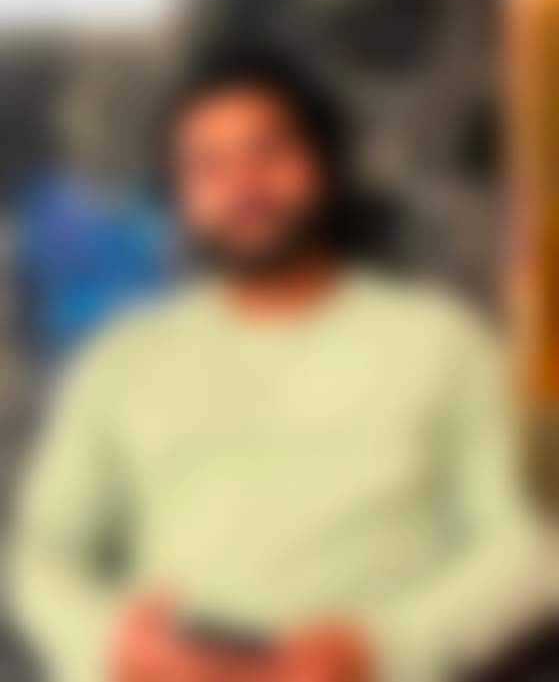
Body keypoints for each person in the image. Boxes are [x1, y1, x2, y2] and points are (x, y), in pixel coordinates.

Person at [12, 46, 548, 682]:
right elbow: (39, 552)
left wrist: (384, 646)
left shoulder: (441, 343)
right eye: (209, 166)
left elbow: (528, 555)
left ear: (322, 165)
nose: (244, 185)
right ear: (180, 196)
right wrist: (114, 644)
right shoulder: (123, 359)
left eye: (268, 151)